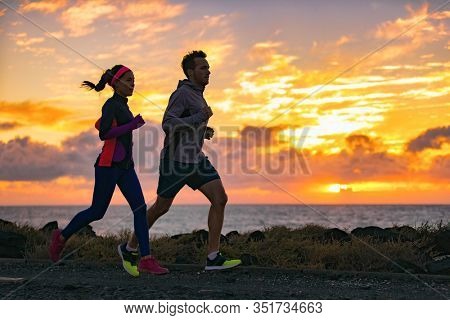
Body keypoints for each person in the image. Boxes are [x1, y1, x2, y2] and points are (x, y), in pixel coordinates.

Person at [118, 51, 241, 272]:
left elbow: (188, 124)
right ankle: (130, 247)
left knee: (220, 198)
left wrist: (203, 130)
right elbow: (168, 123)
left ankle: (213, 257)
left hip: (196, 160)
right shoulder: (182, 93)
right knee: (161, 208)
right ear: (190, 72)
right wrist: (198, 118)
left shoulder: (198, 95)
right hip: (175, 162)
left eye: (208, 67)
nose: (208, 71)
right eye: (203, 68)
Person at [48, 65, 168, 277]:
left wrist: (130, 125)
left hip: (125, 167)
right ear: (117, 83)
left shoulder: (123, 106)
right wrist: (132, 125)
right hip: (108, 166)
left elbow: (110, 128)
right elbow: (104, 133)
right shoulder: (111, 105)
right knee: (97, 212)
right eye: (129, 80)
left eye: (134, 80)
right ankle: (62, 237)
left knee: (140, 208)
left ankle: (146, 259)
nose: (133, 84)